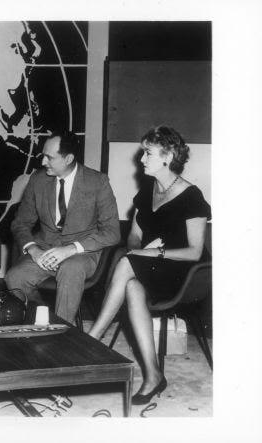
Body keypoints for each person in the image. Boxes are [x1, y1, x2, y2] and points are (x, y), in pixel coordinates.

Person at [87, 126, 210, 404]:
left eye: (148, 153)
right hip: (150, 266)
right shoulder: (148, 191)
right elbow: (133, 238)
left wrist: (154, 253)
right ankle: (153, 375)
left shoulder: (192, 197)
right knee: (131, 283)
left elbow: (194, 252)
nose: (141, 159)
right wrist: (142, 251)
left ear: (168, 156)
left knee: (129, 264)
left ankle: (92, 339)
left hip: (184, 272)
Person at [5, 130, 121, 322]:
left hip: (82, 254)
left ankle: (63, 337)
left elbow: (112, 232)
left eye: (49, 158)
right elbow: (21, 223)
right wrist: (33, 249)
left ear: (68, 159)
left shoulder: (98, 182)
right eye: (43, 156)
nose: (43, 162)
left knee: (71, 269)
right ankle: (44, 319)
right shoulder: (38, 180)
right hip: (45, 250)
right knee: (14, 277)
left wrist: (71, 249)